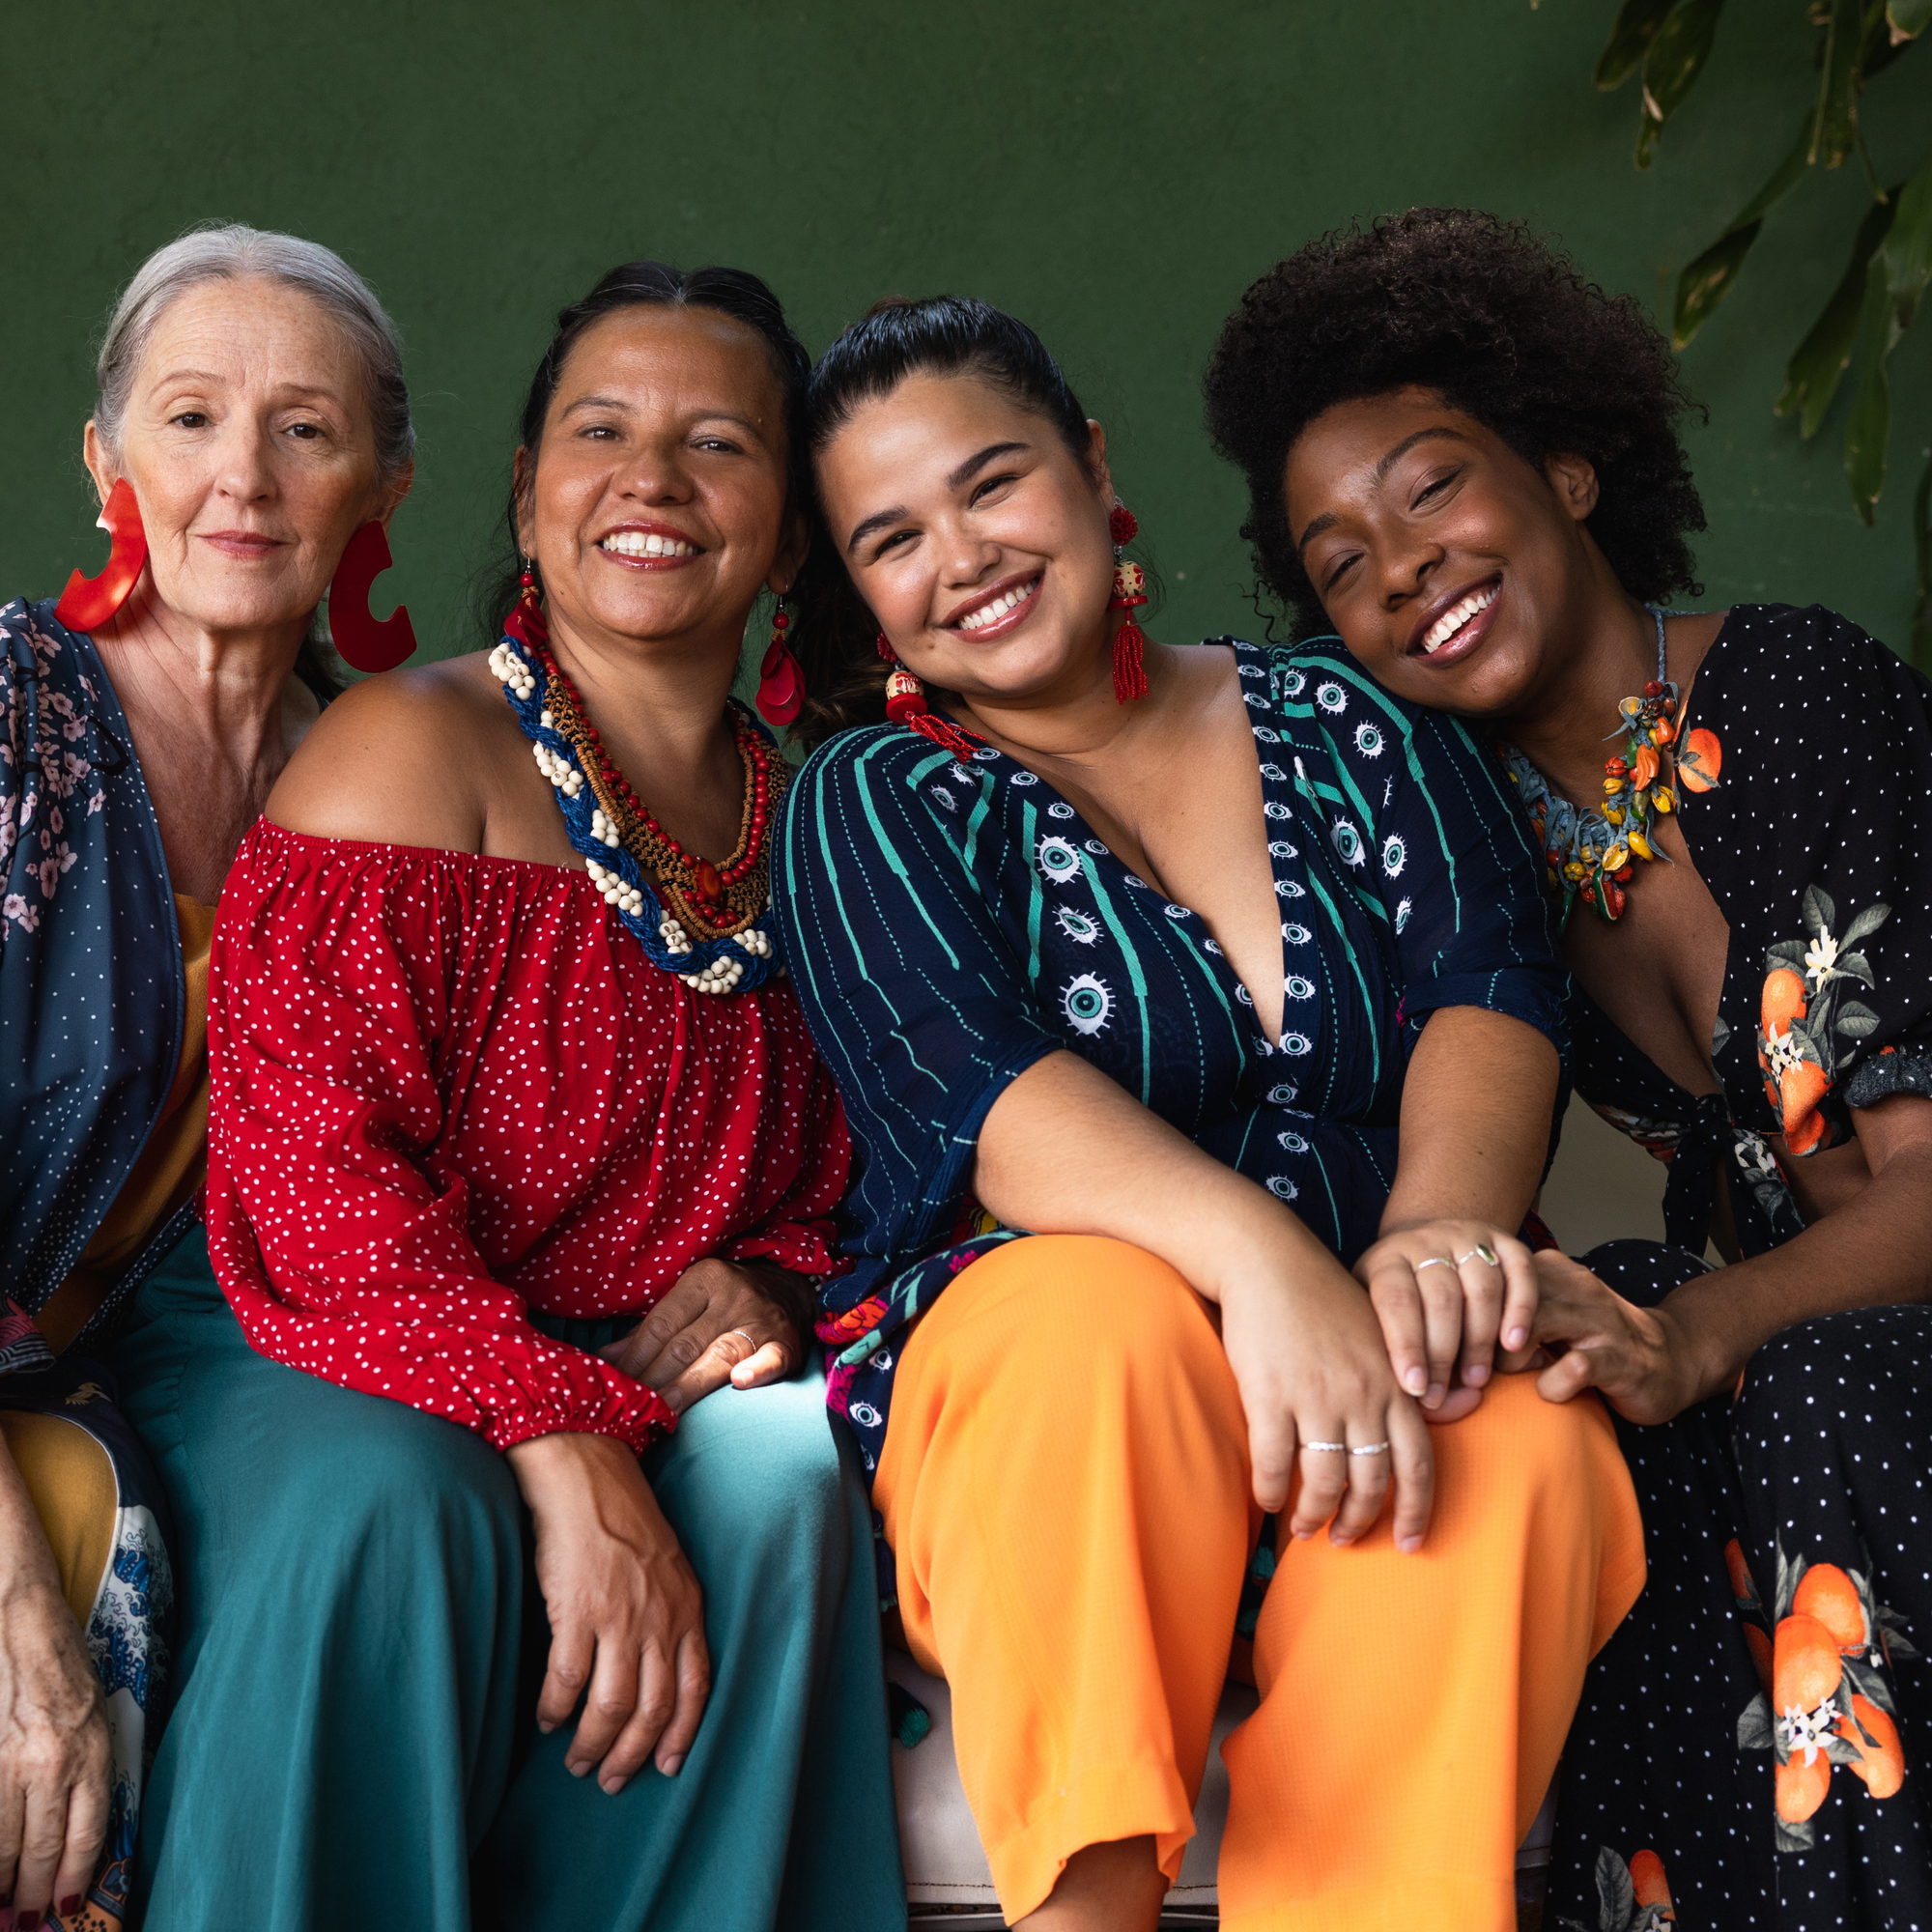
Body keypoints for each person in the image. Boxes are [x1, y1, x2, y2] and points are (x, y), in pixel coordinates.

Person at [773, 295, 1644, 1932]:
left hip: (1386, 1354)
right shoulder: (871, 800)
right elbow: (982, 1101)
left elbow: (1490, 980)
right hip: (1064, 1419)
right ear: (863, 596)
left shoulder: (1350, 718)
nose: (962, 555)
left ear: (1091, 464)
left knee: (1512, 1420)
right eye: (892, 537)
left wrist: (1437, 1234)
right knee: (1085, 1313)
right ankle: (1084, 1909)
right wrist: (1270, 1271)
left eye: (992, 482)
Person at [1205, 206, 1932, 1930]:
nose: (1402, 567)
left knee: (1779, 1374)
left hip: (1863, 1355)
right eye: (1339, 561)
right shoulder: (1490, 872)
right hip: (1779, 1366)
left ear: (1572, 475)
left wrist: (1697, 1331)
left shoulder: (1807, 695)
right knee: (1563, 1375)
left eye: (1434, 488)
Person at [167, 260, 905, 1932]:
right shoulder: (408, 754)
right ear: (529, 490)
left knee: (784, 1478)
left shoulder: (822, 822)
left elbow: (876, 1159)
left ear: (788, 533)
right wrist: (549, 1421)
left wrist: (776, 1283)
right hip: (332, 1320)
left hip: (636, 1354)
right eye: (600, 430)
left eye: (717, 443)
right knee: (402, 1504)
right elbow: (308, 1175)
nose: (651, 478)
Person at [0, 222, 412, 1932]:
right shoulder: (15, 710)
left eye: (306, 429)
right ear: (107, 459)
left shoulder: (387, 782)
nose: (241, 475)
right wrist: (16, 1604)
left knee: (386, 1499)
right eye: (188, 419)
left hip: (197, 1371)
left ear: (381, 478)